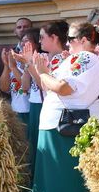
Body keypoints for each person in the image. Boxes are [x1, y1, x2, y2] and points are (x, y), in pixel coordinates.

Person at [29, 22, 99, 192]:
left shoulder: (85, 58)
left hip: (63, 127)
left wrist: (43, 72)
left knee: (61, 180)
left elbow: (63, 87)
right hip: (62, 125)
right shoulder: (84, 59)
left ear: (83, 41)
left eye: (71, 40)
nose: (67, 44)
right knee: (61, 179)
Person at [21, 21, 69, 175]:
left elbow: (45, 86)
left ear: (54, 37)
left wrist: (30, 63)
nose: (39, 41)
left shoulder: (62, 58)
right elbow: (41, 82)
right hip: (48, 111)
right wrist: (30, 63)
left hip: (58, 113)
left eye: (42, 37)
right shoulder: (48, 57)